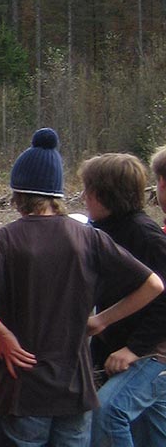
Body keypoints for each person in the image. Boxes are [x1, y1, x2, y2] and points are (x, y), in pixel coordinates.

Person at [0, 128, 163, 447]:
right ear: (57, 194)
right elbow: (154, 284)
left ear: (17, 194)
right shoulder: (90, 237)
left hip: (27, 389)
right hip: (76, 387)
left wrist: (1, 333)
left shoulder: (6, 239)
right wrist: (102, 321)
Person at [77, 153, 166, 446]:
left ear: (104, 195)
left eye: (87, 190)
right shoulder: (103, 230)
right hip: (123, 346)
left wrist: (133, 349)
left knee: (108, 412)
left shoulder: (145, 236)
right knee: (149, 431)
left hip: (153, 353)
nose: (83, 197)